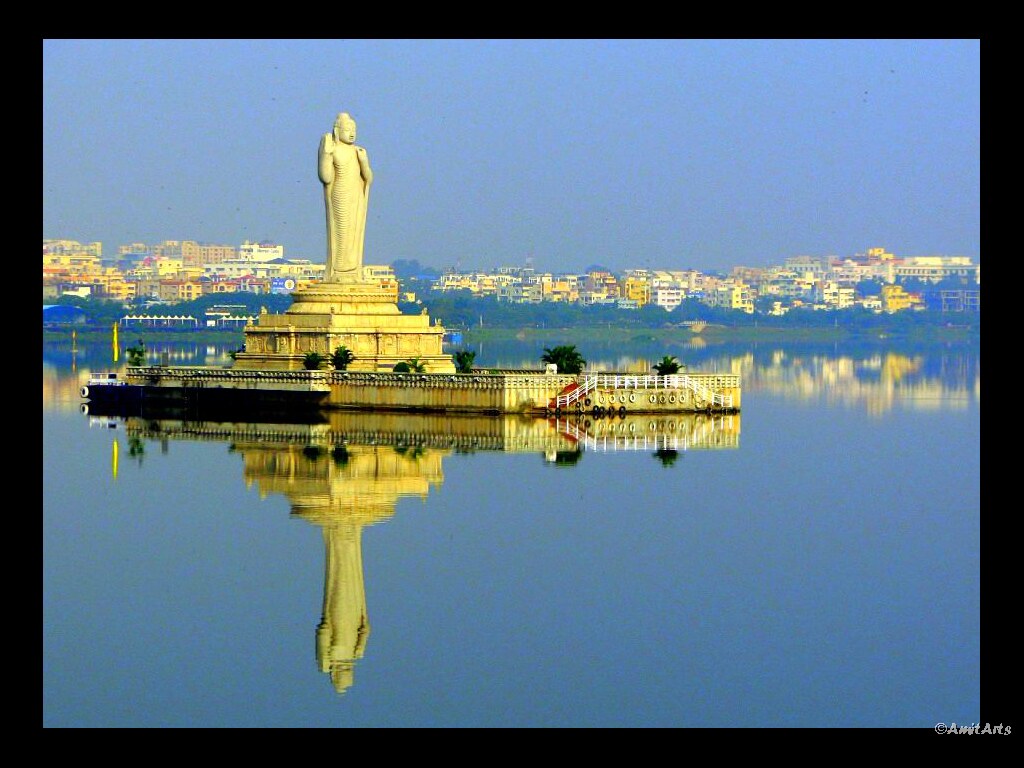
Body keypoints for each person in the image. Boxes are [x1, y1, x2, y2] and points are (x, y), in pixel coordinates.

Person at [318, 112, 373, 282]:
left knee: (354, 231)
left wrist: (364, 162)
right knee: (341, 231)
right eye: (347, 129)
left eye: (354, 129)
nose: (352, 133)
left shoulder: (359, 151)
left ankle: (353, 269)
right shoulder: (333, 149)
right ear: (337, 130)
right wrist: (326, 155)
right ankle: (339, 269)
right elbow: (326, 177)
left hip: (356, 194)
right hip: (341, 192)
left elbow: (368, 178)